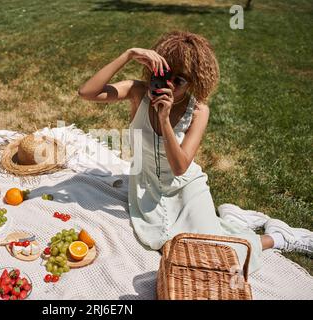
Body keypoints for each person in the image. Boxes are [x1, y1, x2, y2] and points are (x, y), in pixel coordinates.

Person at [78, 31, 312, 273]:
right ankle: (231, 219)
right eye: (164, 74)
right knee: (172, 248)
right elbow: (86, 93)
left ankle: (278, 237)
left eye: (179, 80)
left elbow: (180, 167)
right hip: (146, 187)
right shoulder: (138, 92)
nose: (168, 84)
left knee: (214, 257)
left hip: (185, 188)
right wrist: (128, 55)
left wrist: (164, 118)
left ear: (194, 82)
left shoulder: (198, 111)